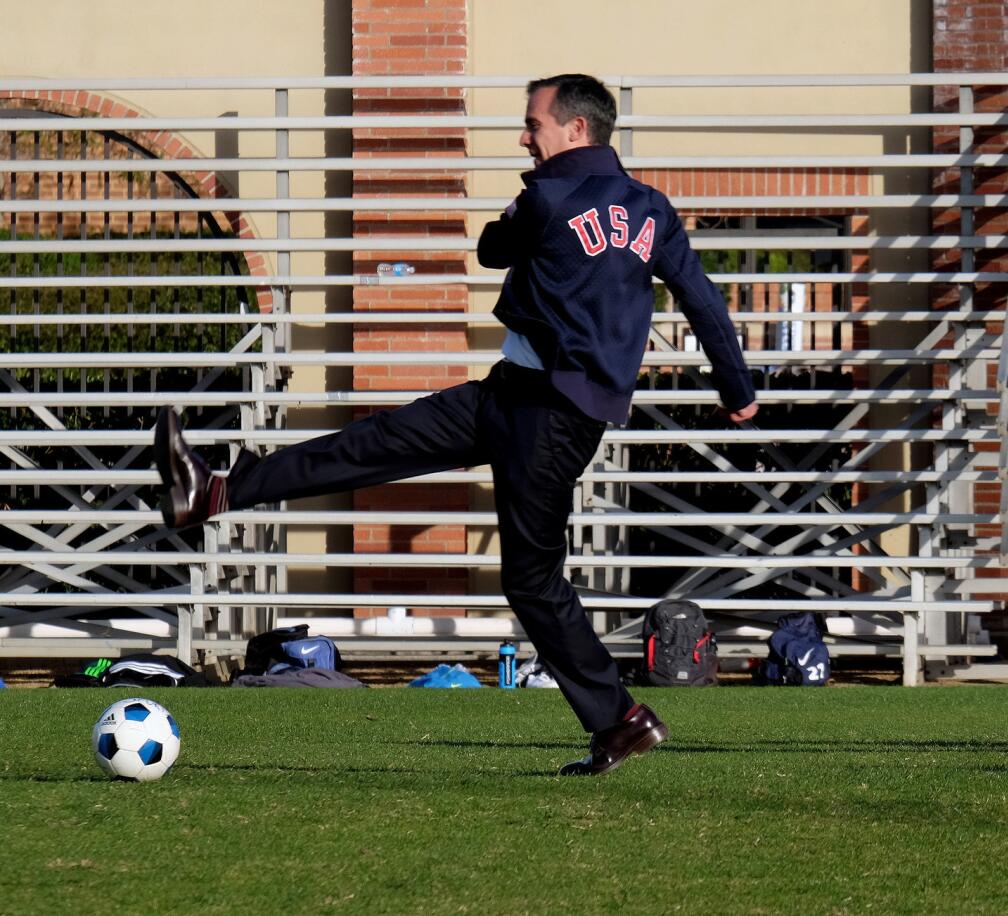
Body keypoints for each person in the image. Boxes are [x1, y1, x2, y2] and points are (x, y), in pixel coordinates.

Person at [155, 74, 759, 775]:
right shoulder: (652, 208)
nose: (524, 137)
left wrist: (514, 213)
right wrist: (736, 386)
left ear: (575, 131)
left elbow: (492, 251)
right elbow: (702, 299)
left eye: (533, 124)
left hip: (548, 415)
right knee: (372, 443)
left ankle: (621, 719)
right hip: (516, 397)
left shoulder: (548, 195)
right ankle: (214, 493)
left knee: (532, 581)